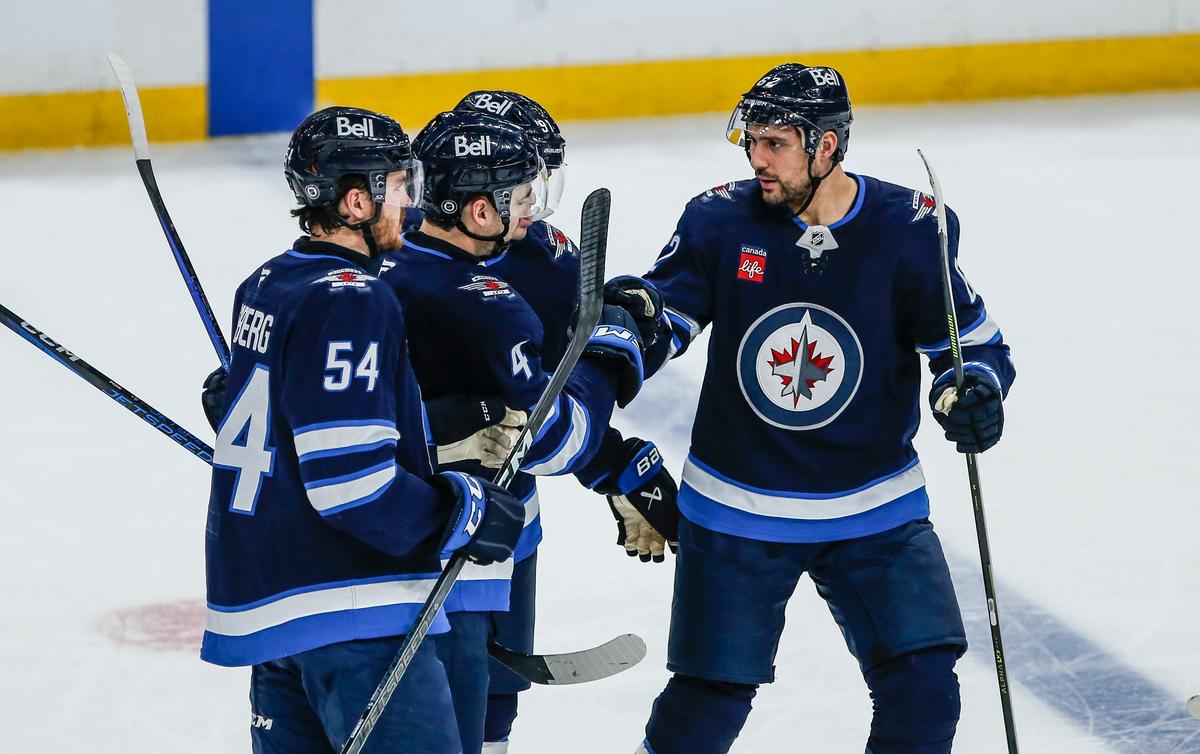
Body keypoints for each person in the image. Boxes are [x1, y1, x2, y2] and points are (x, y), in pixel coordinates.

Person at [626, 63, 1016, 754]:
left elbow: (970, 344)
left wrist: (970, 388)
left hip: (875, 508)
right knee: (705, 705)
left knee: (925, 690)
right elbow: (666, 320)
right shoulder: (717, 219)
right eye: (752, 142)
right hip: (737, 507)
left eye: (775, 143)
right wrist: (630, 328)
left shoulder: (910, 227)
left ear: (828, 146)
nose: (757, 159)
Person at [200, 106, 526, 754]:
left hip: (278, 615)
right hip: (353, 612)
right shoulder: (354, 296)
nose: (411, 206)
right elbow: (352, 486)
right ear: (357, 200)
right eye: (401, 187)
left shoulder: (266, 283)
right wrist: (462, 510)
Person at [379, 108, 677, 754]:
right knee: (438, 701)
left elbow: (531, 400)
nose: (532, 211)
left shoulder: (519, 253)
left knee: (484, 697)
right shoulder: (485, 284)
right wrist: (612, 354)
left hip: (493, 507)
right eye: (521, 191)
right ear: (476, 201)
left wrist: (611, 464)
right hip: (439, 521)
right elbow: (555, 412)